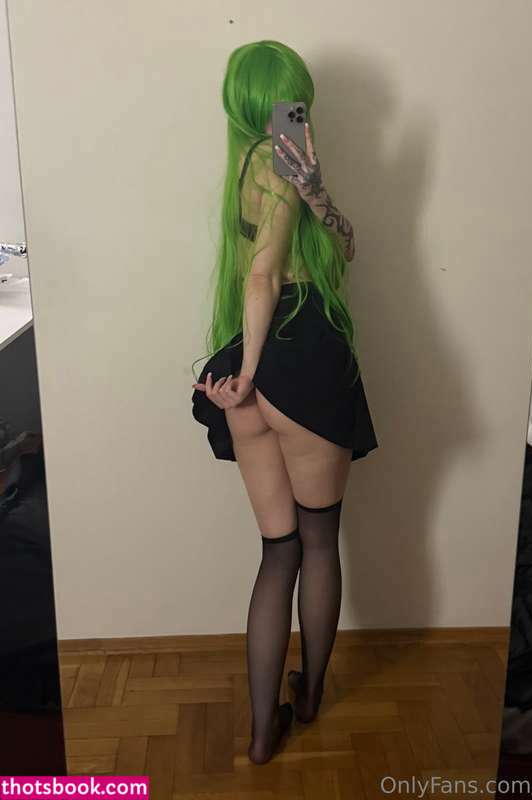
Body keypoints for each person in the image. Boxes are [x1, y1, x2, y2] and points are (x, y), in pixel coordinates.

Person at [191, 40, 378, 765]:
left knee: (277, 553)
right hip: (299, 361)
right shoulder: (281, 158)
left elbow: (344, 245)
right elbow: (265, 276)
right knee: (320, 544)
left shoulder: (250, 164)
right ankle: (309, 697)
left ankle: (262, 733)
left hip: (252, 365)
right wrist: (253, 374)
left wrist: (318, 193)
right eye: (288, 99)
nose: (294, 110)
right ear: (275, 101)